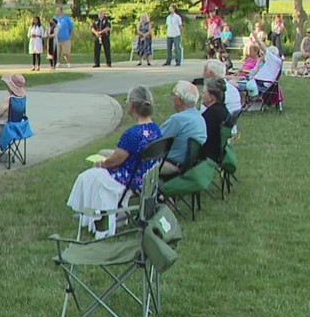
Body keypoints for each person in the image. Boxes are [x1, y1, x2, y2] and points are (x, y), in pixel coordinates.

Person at [65, 85, 162, 238]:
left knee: (88, 177)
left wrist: (102, 164)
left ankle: (93, 217)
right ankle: (90, 216)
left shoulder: (132, 134)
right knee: (93, 175)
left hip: (130, 179)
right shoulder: (156, 129)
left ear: (131, 105)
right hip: (145, 176)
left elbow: (115, 160)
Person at [159, 81, 207, 179]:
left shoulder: (177, 120)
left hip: (172, 165)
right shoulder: (199, 118)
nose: (171, 97)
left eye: (173, 94)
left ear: (179, 100)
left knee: (133, 161)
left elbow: (155, 142)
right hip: (189, 165)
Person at [199, 78, 229, 164]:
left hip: (207, 158)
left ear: (211, 98)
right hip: (217, 155)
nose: (201, 95)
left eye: (204, 93)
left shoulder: (211, 115)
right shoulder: (224, 111)